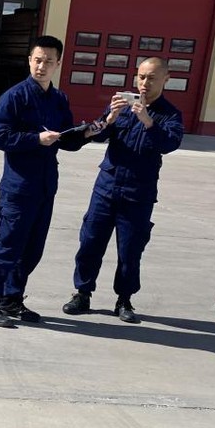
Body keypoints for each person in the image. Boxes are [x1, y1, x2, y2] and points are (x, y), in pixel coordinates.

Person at [0, 35, 97, 328]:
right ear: (29, 60)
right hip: (19, 187)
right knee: (8, 247)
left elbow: (66, 140)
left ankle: (11, 299)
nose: (41, 66)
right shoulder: (15, 97)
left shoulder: (58, 99)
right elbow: (0, 137)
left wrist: (87, 134)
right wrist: (35, 139)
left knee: (32, 249)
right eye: (37, 60)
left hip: (45, 186)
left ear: (58, 64)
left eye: (48, 61)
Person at [62, 58, 184, 323]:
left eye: (151, 78)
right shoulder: (122, 106)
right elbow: (96, 133)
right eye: (141, 77)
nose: (144, 83)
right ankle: (82, 293)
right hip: (107, 187)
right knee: (90, 242)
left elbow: (170, 143)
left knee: (130, 251)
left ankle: (124, 300)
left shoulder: (170, 114)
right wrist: (110, 118)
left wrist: (148, 121)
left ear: (166, 79)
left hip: (138, 192)